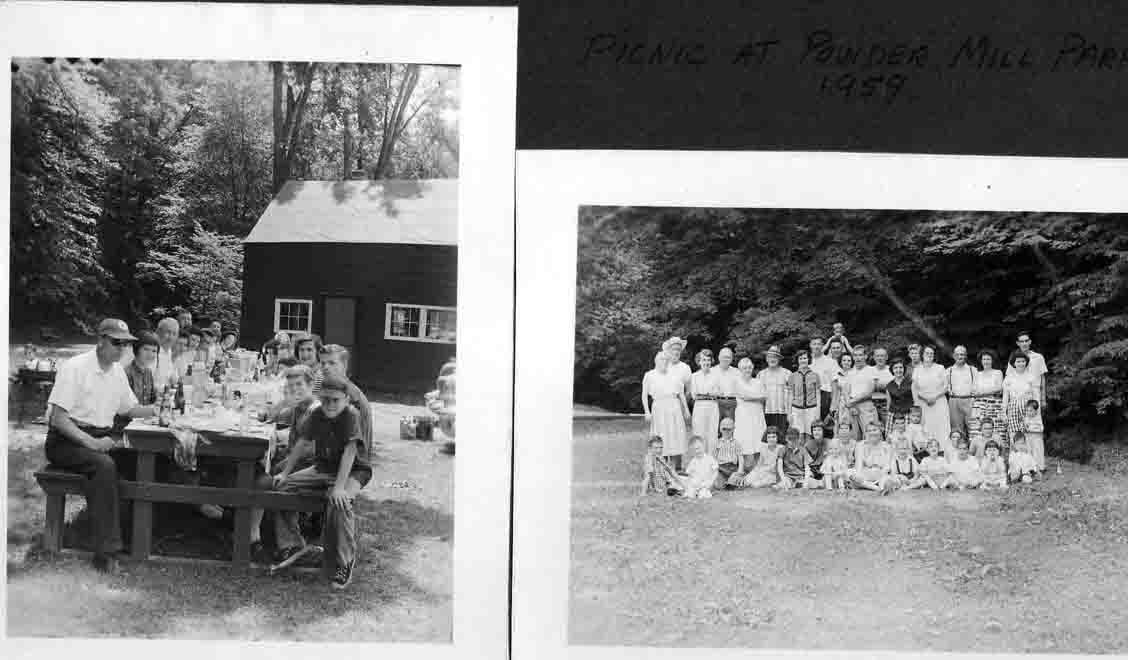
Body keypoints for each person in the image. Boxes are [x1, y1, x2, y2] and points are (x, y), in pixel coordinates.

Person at [44, 319, 159, 573]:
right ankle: (106, 553)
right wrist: (93, 444)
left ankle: (137, 537)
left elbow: (130, 408)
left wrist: (160, 409)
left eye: (126, 344)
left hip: (98, 436)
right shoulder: (75, 367)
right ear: (101, 340)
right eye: (116, 342)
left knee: (140, 459)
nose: (121, 349)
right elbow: (58, 419)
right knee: (104, 466)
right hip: (66, 439)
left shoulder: (117, 371)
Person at [273, 374, 372, 589]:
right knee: (281, 488)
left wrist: (338, 488)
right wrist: (285, 473)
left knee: (339, 502)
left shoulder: (351, 416)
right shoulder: (317, 413)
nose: (330, 404)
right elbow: (303, 442)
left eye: (335, 400)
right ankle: (292, 545)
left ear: (346, 399)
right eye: (325, 399)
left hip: (354, 470)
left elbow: (350, 452)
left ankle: (344, 561)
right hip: (324, 468)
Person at [250, 365, 319, 561]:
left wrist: (282, 467)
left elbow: (309, 450)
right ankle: (256, 537)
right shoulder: (300, 408)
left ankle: (290, 545)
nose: (295, 389)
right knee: (261, 470)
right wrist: (283, 403)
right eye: (291, 386)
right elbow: (273, 416)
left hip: (311, 468)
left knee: (266, 481)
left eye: (299, 385)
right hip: (296, 463)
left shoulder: (315, 411)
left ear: (311, 385)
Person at [642, 351, 691, 472]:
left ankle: (675, 468)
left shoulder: (674, 376)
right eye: (661, 360)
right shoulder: (649, 375)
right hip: (658, 408)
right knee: (660, 436)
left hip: (674, 407)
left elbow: (681, 394)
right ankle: (660, 467)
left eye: (665, 360)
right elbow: (644, 396)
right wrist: (647, 412)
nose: (663, 362)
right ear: (656, 361)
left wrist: (686, 410)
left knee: (675, 436)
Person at [319, 344, 373, 448]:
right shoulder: (337, 388)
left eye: (331, 363)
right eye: (323, 363)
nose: (325, 367)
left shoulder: (349, 395)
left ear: (344, 365)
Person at [912, 346, 952, 455]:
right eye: (927, 353)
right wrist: (925, 398)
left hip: (939, 402)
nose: (929, 355)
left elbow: (946, 386)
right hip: (924, 403)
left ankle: (943, 452)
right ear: (922, 354)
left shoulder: (940, 368)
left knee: (941, 427)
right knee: (926, 427)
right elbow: (915, 388)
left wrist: (935, 397)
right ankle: (927, 452)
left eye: (932, 353)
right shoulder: (917, 369)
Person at [733, 357, 767, 472]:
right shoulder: (737, 382)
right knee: (743, 438)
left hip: (757, 414)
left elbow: (763, 397)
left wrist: (749, 398)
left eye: (749, 367)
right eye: (744, 368)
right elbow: (742, 396)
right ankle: (742, 467)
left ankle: (759, 467)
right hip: (743, 415)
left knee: (758, 438)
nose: (747, 370)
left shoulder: (758, 382)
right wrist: (755, 397)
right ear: (740, 369)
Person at [844, 345, 879, 445]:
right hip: (851, 407)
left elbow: (869, 391)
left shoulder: (871, 370)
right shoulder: (850, 372)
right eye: (855, 355)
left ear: (865, 356)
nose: (858, 358)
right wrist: (849, 404)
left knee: (869, 435)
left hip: (866, 406)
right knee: (854, 437)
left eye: (860, 355)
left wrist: (852, 401)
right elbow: (845, 390)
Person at [1003, 351, 1039, 445]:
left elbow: (1036, 395)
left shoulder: (1031, 377)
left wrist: (1036, 410)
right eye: (1018, 361)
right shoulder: (1008, 378)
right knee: (1013, 434)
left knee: (1028, 433)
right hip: (1013, 408)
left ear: (1026, 363)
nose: (1021, 363)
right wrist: (1004, 412)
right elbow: (1006, 396)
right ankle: (1014, 457)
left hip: (1028, 408)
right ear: (1014, 363)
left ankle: (1028, 457)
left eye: (1023, 361)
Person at [689, 349, 722, 454]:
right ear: (699, 361)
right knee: (699, 433)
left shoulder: (716, 375)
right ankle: (699, 459)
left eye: (708, 360)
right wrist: (710, 394)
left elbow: (719, 393)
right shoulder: (694, 376)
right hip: (699, 408)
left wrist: (705, 394)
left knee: (712, 434)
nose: (706, 362)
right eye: (703, 360)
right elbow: (694, 395)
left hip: (712, 407)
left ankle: (711, 460)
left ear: (711, 361)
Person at [971, 349, 1006, 441]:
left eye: (988, 359)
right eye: (984, 359)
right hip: (979, 406)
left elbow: (999, 389)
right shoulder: (977, 374)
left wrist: (982, 392)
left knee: (996, 429)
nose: (986, 361)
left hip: (995, 405)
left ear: (992, 360)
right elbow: (974, 391)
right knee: (979, 429)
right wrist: (990, 390)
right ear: (981, 361)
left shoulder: (998, 373)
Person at [1007, 332, 1048, 408]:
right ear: (1018, 343)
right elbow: (1009, 378)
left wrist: (1043, 399)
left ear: (1030, 341)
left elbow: (1042, 378)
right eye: (1022, 341)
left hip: (1035, 393)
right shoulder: (1013, 357)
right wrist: (1007, 399)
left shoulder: (1038, 357)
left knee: (1034, 419)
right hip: (1017, 395)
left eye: (1026, 341)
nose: (1024, 343)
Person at [946, 345, 978, 440]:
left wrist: (973, 396)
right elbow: (945, 386)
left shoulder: (973, 370)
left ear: (966, 356)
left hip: (970, 400)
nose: (960, 357)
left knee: (973, 428)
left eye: (962, 354)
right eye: (958, 354)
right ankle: (959, 450)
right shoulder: (948, 371)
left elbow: (977, 385)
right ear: (954, 356)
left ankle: (973, 450)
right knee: (957, 429)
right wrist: (949, 390)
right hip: (954, 401)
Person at [787, 349, 821, 435]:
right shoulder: (792, 376)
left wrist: (818, 411)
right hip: (797, 409)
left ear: (808, 359)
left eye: (805, 358)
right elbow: (790, 395)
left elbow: (818, 394)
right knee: (799, 434)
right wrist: (789, 413)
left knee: (811, 433)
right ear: (797, 360)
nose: (803, 360)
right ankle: (800, 448)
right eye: (801, 358)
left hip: (811, 408)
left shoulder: (815, 375)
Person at [758, 346, 792, 432]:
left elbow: (791, 395)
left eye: (775, 357)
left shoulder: (787, 373)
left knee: (782, 439)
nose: (772, 359)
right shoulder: (761, 375)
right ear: (766, 359)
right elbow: (758, 396)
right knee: (768, 439)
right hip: (766, 412)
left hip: (783, 412)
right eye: (770, 357)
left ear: (779, 359)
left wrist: (790, 413)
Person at [851, 424, 892, 492]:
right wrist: (859, 475)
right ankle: (876, 488)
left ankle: (876, 485)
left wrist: (880, 475)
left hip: (881, 474)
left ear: (880, 431)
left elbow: (887, 466)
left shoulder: (887, 446)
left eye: (874, 430)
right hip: (865, 474)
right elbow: (859, 464)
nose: (872, 433)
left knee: (888, 480)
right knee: (850, 474)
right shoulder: (861, 445)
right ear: (866, 433)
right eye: (869, 431)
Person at [810, 337, 840, 423]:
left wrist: (834, 404)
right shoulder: (807, 361)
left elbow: (835, 385)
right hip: (809, 397)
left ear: (823, 346)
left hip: (825, 397)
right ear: (810, 346)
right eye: (814, 344)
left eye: (819, 344)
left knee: (825, 427)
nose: (816, 347)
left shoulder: (831, 362)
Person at [126, 330, 160, 406]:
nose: (150, 354)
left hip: (147, 415)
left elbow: (152, 399)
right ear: (137, 349)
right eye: (146, 349)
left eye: (154, 351)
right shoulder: (127, 373)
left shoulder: (148, 372)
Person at [884, 360, 914, 438]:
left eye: (901, 367)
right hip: (893, 414)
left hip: (907, 413)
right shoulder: (889, 385)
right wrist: (889, 417)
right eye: (895, 368)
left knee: (908, 437)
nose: (898, 370)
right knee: (891, 437)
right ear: (892, 370)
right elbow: (889, 403)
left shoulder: (911, 382)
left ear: (904, 369)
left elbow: (915, 400)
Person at [712, 346, 742, 421]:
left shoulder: (737, 372)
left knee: (731, 428)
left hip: (732, 404)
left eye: (728, 357)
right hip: (716, 403)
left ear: (732, 359)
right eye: (723, 357)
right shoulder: (711, 371)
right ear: (719, 357)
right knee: (715, 428)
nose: (725, 359)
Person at [713, 418, 743, 489]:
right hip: (721, 467)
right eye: (724, 429)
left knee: (736, 476)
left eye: (729, 429)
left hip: (732, 467)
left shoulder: (736, 443)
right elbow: (714, 457)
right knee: (718, 485)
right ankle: (726, 482)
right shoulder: (717, 442)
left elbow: (740, 458)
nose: (726, 431)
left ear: (733, 429)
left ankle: (732, 481)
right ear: (720, 429)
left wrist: (740, 469)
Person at [831, 351, 855, 440]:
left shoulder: (855, 374)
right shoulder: (836, 376)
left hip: (854, 403)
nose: (846, 362)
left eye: (849, 360)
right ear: (840, 362)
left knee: (853, 426)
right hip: (841, 405)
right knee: (840, 426)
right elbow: (834, 394)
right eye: (844, 360)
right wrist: (834, 408)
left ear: (852, 362)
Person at [870, 346, 895, 430]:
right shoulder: (869, 370)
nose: (880, 358)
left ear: (887, 357)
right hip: (871, 405)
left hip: (886, 404)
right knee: (872, 429)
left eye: (882, 356)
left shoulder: (892, 370)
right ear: (874, 357)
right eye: (877, 356)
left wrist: (878, 384)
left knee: (888, 429)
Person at [662, 336, 693, 401]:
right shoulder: (662, 365)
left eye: (678, 349)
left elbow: (689, 391)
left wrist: (682, 405)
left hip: (678, 406)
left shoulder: (685, 368)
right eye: (674, 349)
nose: (676, 352)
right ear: (669, 350)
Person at [153, 317, 181, 388]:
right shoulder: (152, 351)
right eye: (168, 332)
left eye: (174, 334)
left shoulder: (169, 351)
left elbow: (173, 377)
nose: (170, 337)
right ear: (158, 332)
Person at [1023, 400, 1046, 473]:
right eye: (1027, 410)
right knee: (1030, 453)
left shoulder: (1038, 418)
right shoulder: (1026, 418)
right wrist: (1025, 428)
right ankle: (1031, 468)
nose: (1028, 412)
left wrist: (1033, 429)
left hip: (1037, 439)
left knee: (1038, 453)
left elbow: (1041, 429)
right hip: (1029, 439)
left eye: (1031, 411)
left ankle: (1040, 467)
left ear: (1036, 411)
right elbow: (1025, 427)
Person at [803, 420, 828, 488]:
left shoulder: (829, 443)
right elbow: (807, 463)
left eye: (819, 430)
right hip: (813, 470)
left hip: (825, 470)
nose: (816, 432)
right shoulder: (808, 445)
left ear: (823, 431)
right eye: (814, 430)